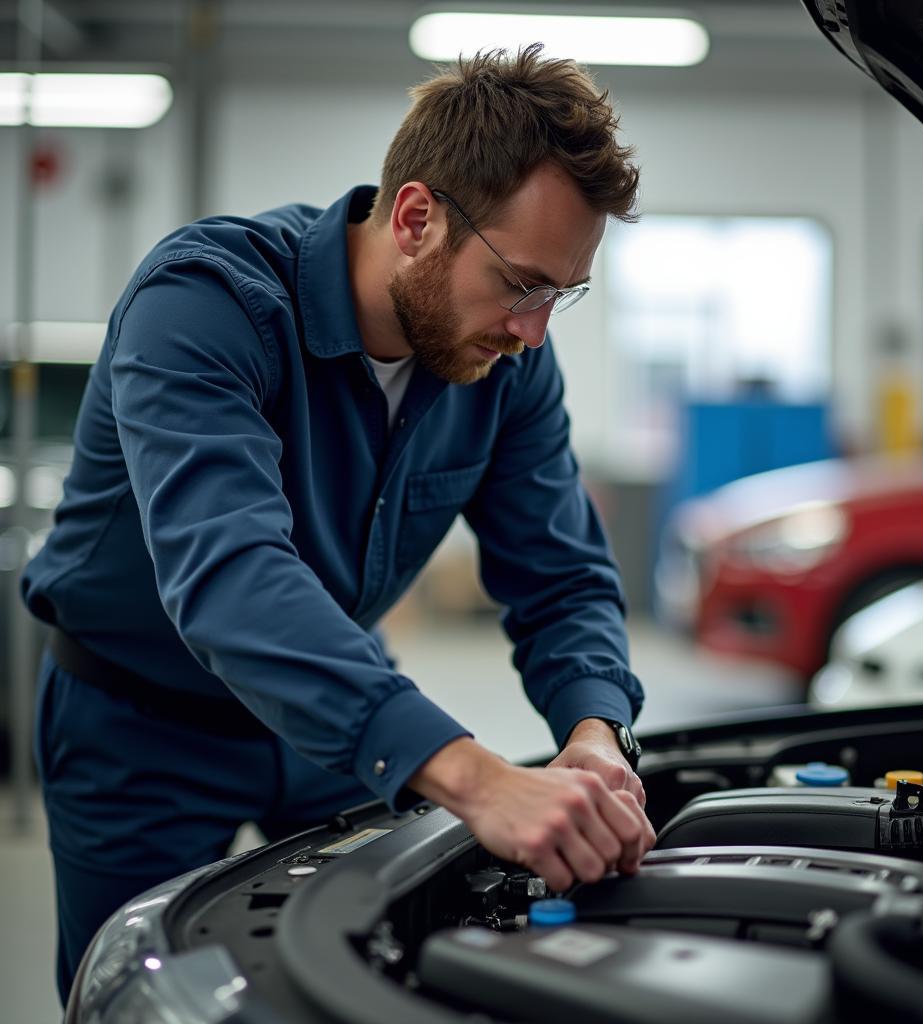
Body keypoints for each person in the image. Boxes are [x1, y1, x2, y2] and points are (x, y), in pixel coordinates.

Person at [22, 43, 656, 1003]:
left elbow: (559, 573)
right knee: (140, 1003)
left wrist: (595, 731)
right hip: (140, 727)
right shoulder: (205, 304)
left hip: (331, 718)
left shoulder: (509, 365)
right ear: (415, 217)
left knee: (373, 975)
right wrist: (482, 780)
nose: (535, 330)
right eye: (524, 284)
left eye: (560, 294)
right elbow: (232, 576)